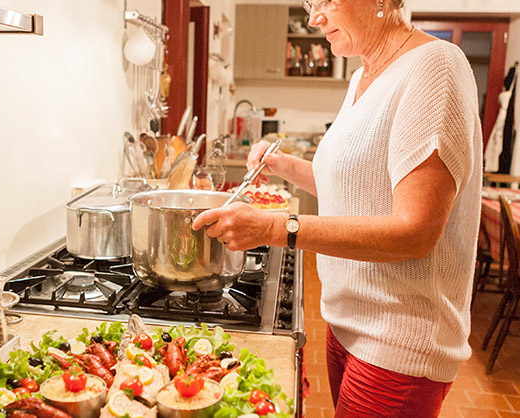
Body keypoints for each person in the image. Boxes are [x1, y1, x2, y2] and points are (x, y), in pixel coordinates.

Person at [192, 0, 482, 416]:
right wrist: (286, 166)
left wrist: (276, 229)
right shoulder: (363, 74)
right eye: (310, 3)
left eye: (326, 0)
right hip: (348, 321)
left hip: (398, 338)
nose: (313, 18)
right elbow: (358, 188)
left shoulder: (434, 67)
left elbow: (415, 232)